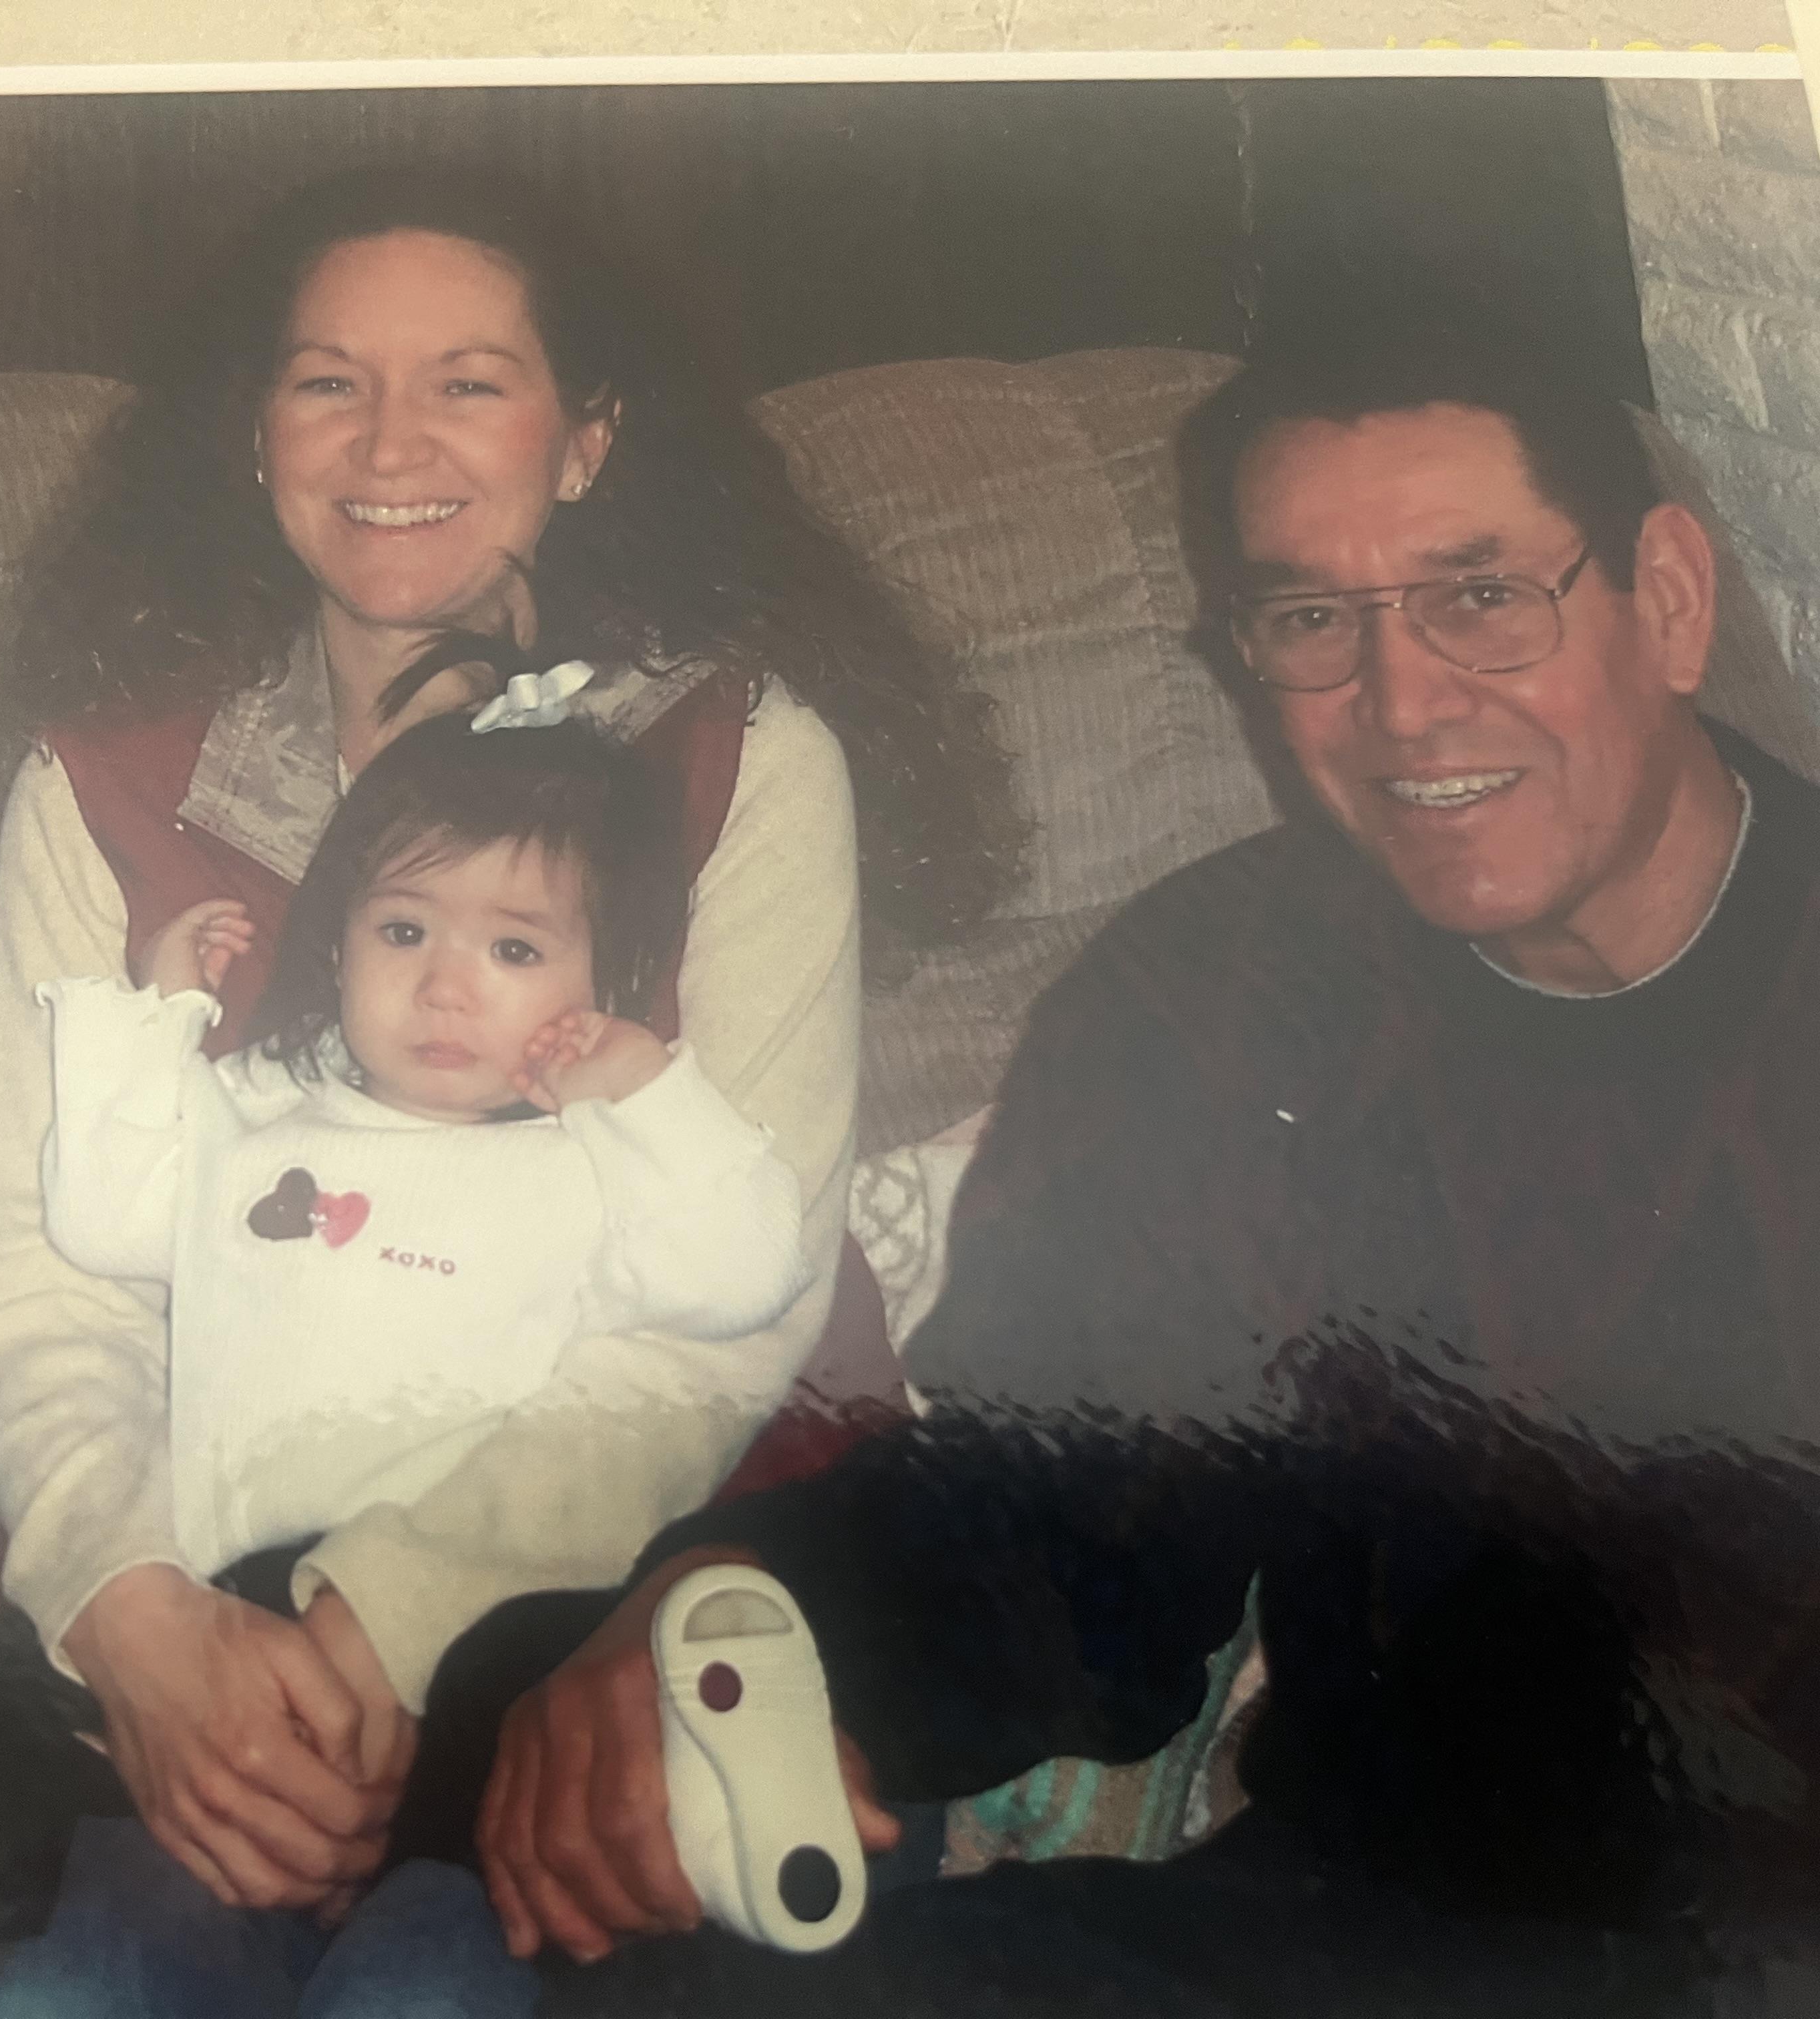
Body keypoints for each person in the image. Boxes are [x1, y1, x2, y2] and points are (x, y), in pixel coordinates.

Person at [469, 304, 1820, 2014]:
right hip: (1384, 1929)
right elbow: (1072, 1525)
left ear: (1673, 600)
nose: (1404, 703)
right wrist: (732, 1606)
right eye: (1312, 620)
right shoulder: (1225, 998)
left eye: (1483, 596)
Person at [0, 166, 1019, 2016]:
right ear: (254, 434)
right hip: (203, 1568)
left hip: (639, 1564)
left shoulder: (739, 757)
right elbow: (31, 1275)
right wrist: (137, 1617)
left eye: (470, 382)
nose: (388, 443)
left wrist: (380, 1623)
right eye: (326, 382)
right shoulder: (99, 783)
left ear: (585, 442)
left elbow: (720, 1325)